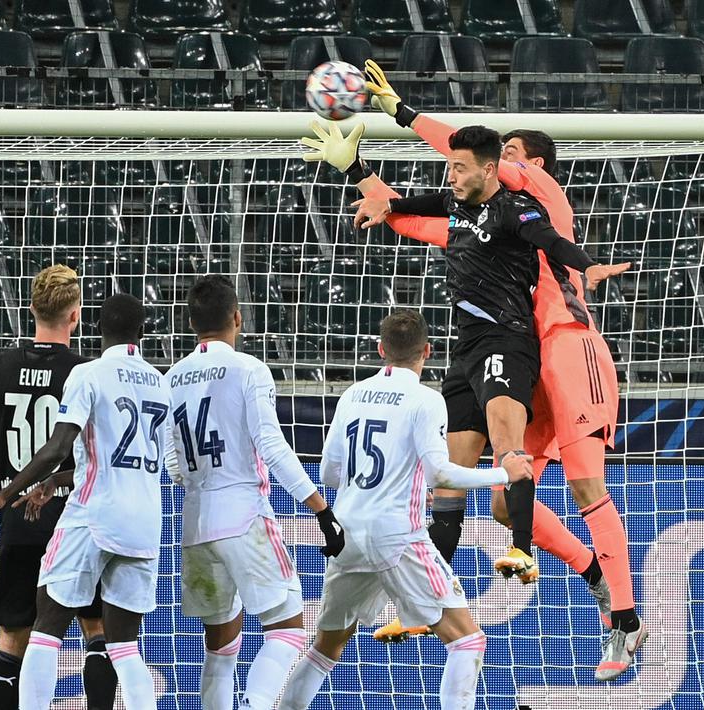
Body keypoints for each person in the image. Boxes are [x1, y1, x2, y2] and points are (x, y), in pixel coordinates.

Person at [313, 61, 647, 679]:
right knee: (500, 496)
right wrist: (359, 178)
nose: (501, 159)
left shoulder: (539, 195)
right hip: (526, 356)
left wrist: (404, 112)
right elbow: (422, 221)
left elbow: (465, 152)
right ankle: (596, 577)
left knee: (585, 486)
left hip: (570, 346)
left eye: (511, 152)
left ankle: (624, 621)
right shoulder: (486, 219)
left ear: (528, 167)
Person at [277, 310, 532, 710]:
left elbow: (328, 472)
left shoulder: (352, 395)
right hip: (397, 536)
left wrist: (393, 482)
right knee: (467, 640)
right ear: (427, 352)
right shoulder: (427, 399)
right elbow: (441, 474)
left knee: (325, 648)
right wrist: (503, 472)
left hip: (348, 533)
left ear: (381, 350)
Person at [0, 294, 175, 710]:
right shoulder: (160, 382)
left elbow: (58, 445)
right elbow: (132, 460)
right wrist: (56, 481)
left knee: (47, 624)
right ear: (144, 333)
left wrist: (7, 492)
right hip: (146, 522)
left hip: (93, 514)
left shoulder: (88, 372)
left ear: (96, 328)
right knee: (125, 645)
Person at [168, 275, 344, 710]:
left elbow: (171, 462)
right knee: (287, 629)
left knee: (221, 644)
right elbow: (271, 445)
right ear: (237, 318)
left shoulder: (170, 378)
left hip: (196, 522)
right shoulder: (249, 369)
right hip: (244, 514)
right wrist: (321, 509)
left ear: (191, 324)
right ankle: (255, 704)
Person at [0, 265, 117, 710]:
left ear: (30, 309)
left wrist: (2, 468)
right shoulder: (87, 372)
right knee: (94, 628)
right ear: (75, 316)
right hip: (75, 517)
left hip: (18, 516)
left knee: (12, 636)